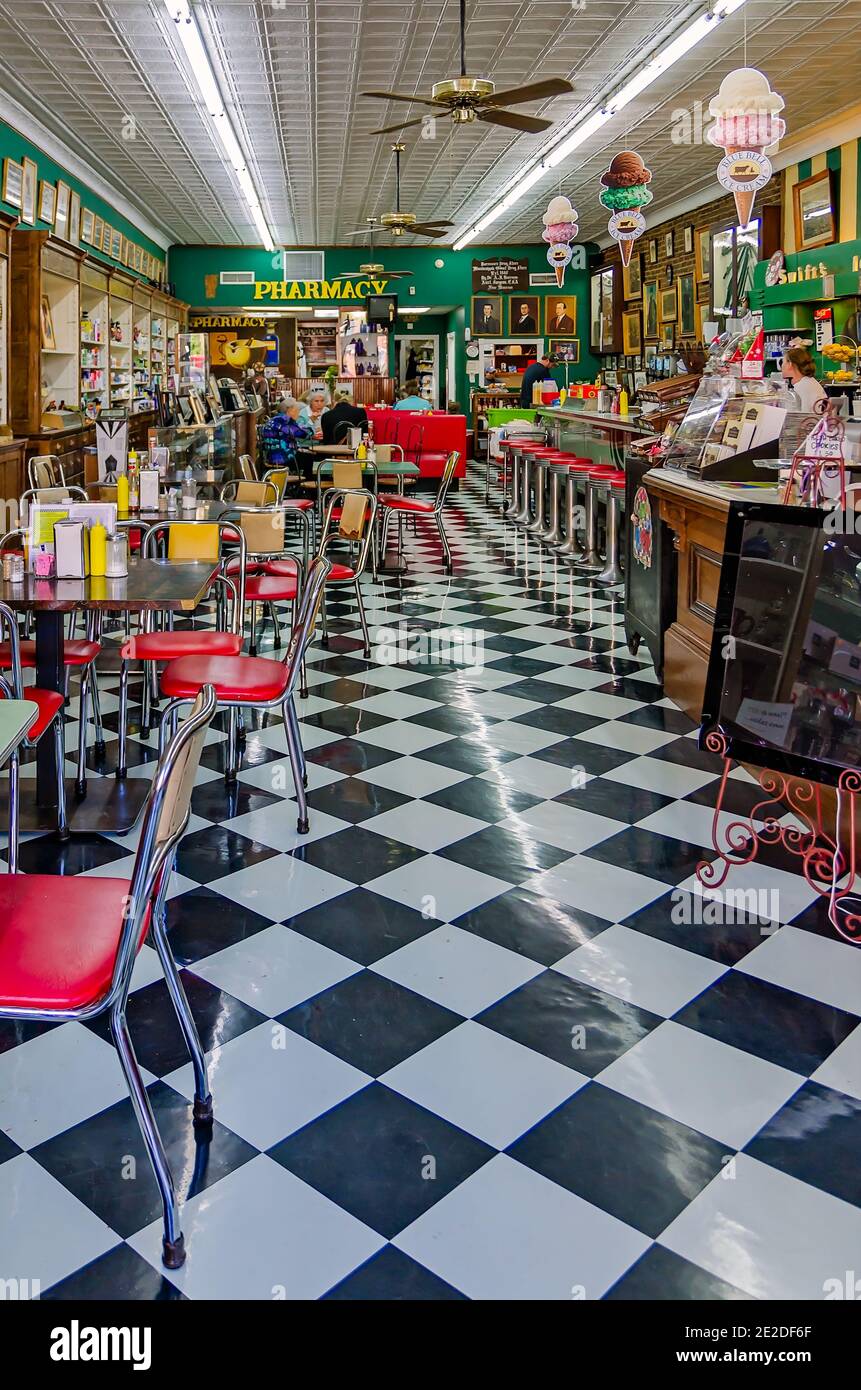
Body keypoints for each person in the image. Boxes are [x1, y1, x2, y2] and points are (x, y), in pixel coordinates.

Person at [259, 395, 312, 471]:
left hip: (271, 457)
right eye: (296, 410)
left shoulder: (274, 420)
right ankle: (304, 482)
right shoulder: (285, 421)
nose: (298, 413)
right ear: (290, 410)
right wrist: (311, 425)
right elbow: (303, 434)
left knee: (304, 454)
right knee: (309, 458)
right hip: (283, 458)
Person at [781, 346, 827, 414]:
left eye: (783, 362)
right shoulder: (809, 382)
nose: (781, 366)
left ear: (789, 364)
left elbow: (797, 418)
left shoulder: (799, 389)